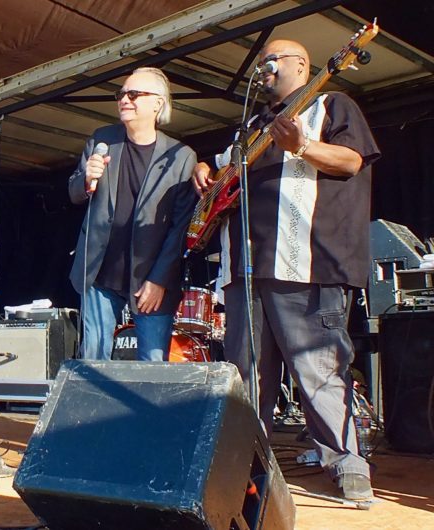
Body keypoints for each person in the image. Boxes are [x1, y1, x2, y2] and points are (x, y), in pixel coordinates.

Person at [192, 40, 380, 501]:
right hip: (246, 270)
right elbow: (219, 176)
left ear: (302, 64)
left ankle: (347, 464)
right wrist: (203, 170)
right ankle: (248, 466)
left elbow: (352, 160)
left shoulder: (333, 104)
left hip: (308, 265)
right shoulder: (250, 128)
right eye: (261, 62)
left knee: (318, 370)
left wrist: (303, 146)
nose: (264, 67)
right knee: (247, 376)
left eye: (271, 60)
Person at [69, 67, 197, 361]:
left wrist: (159, 280)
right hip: (99, 272)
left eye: (134, 94)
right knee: (92, 362)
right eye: (121, 94)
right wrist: (87, 180)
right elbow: (73, 191)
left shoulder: (180, 156)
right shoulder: (102, 139)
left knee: (151, 366)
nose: (125, 99)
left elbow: (180, 229)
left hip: (149, 277)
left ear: (157, 103)